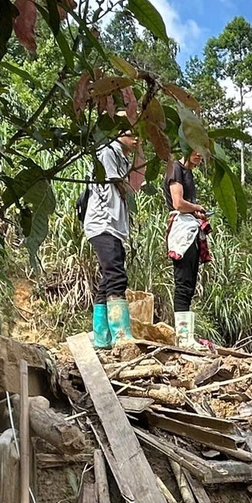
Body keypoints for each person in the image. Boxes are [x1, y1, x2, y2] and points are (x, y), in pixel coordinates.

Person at [82, 134, 142, 349]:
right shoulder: (108, 152)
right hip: (102, 223)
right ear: (117, 133)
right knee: (116, 276)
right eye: (130, 132)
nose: (136, 138)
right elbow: (121, 186)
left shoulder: (122, 158)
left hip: (113, 226)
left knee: (108, 280)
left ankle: (102, 338)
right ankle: (120, 335)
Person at [166, 147, 212, 351]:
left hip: (190, 229)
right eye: (196, 150)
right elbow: (177, 202)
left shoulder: (187, 173)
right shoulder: (175, 168)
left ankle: (186, 336)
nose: (199, 155)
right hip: (182, 230)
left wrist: (196, 213)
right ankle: (183, 338)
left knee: (190, 283)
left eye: (203, 152)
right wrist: (196, 208)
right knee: (183, 283)